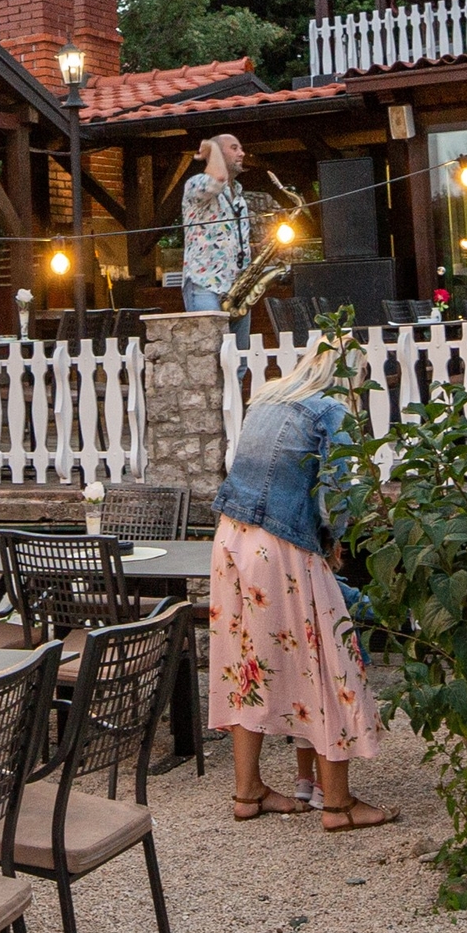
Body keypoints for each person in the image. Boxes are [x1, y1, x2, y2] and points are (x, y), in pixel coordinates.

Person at [205, 343, 394, 831]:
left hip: (230, 539)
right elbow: (334, 499)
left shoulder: (266, 398)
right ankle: (338, 803)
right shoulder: (330, 411)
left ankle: (247, 792)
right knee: (329, 661)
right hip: (283, 544)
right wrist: (335, 541)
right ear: (351, 378)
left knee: (246, 662)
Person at [178, 131, 254, 313]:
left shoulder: (239, 197)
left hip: (237, 290)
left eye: (241, 149)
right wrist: (211, 147)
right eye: (234, 148)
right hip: (204, 284)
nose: (242, 154)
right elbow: (218, 178)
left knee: (239, 344)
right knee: (211, 342)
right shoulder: (196, 184)